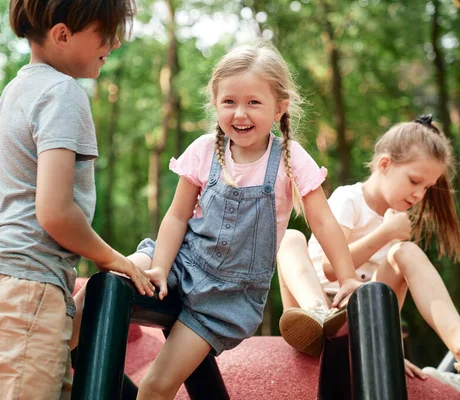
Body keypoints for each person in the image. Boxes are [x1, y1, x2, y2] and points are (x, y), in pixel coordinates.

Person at [80, 39, 361, 400]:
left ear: (280, 108)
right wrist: (161, 267)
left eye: (253, 102)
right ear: (215, 102)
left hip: (226, 298)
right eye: (229, 101)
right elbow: (177, 216)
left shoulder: (289, 158)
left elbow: (322, 223)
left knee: (156, 386)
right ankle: (63, 352)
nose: (239, 113)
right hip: (180, 261)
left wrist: (349, 276)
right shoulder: (203, 150)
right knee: (104, 286)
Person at [0, 0, 155, 398]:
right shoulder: (62, 93)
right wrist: (112, 258)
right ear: (63, 34)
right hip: (26, 285)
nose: (116, 43)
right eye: (106, 32)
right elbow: (54, 213)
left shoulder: (15, 93)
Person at [277, 115, 460, 378]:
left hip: (358, 319)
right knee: (290, 238)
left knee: (406, 253)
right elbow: (331, 269)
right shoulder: (349, 199)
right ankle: (318, 317)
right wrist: (385, 234)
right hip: (313, 307)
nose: (420, 195)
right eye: (414, 181)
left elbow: (390, 295)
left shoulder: (395, 221)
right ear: (385, 164)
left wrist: (393, 351)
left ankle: (457, 343)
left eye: (427, 188)